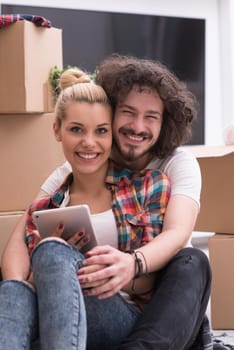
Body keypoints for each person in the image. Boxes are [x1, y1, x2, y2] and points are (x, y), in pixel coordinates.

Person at [1, 55, 213, 349]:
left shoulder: (166, 172)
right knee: (33, 267)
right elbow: (25, 230)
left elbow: (178, 233)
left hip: (158, 304)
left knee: (191, 261)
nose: (138, 126)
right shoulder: (70, 173)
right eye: (128, 112)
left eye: (151, 116)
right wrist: (24, 286)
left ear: (165, 123)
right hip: (80, 300)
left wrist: (131, 263)